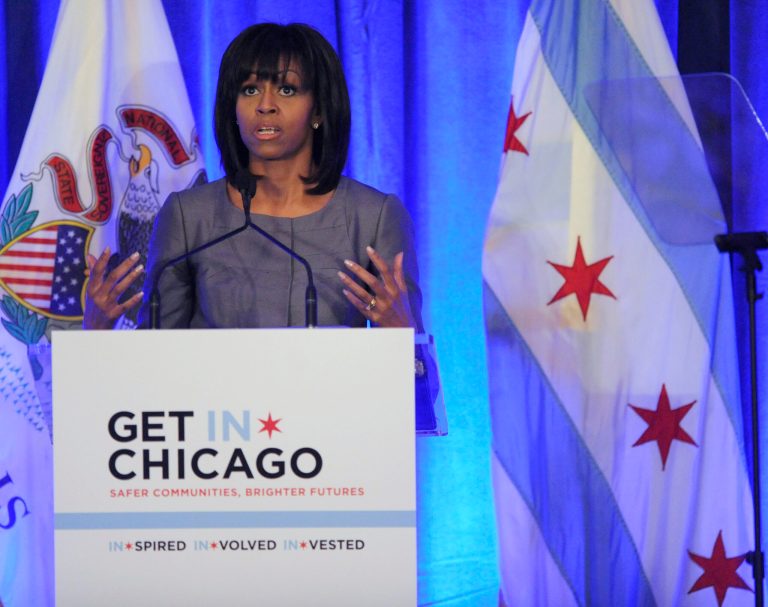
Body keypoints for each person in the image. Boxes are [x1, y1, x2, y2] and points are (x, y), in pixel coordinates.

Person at [83, 23, 422, 331]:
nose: (265, 105)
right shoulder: (189, 217)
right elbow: (155, 361)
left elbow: (416, 382)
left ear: (319, 110)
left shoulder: (373, 216)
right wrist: (97, 332)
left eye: (287, 90)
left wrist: (402, 333)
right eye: (249, 90)